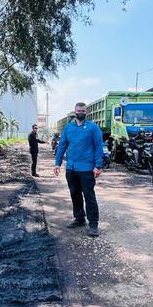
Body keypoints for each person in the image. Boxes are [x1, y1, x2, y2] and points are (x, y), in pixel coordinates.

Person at [54, 102, 104, 237]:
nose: (80, 112)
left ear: (86, 112)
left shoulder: (93, 128)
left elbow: (99, 147)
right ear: (74, 112)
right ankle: (79, 218)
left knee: (89, 196)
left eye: (83, 110)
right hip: (71, 168)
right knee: (74, 194)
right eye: (78, 110)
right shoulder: (68, 128)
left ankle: (93, 225)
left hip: (87, 169)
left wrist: (98, 166)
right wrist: (57, 163)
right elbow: (62, 146)